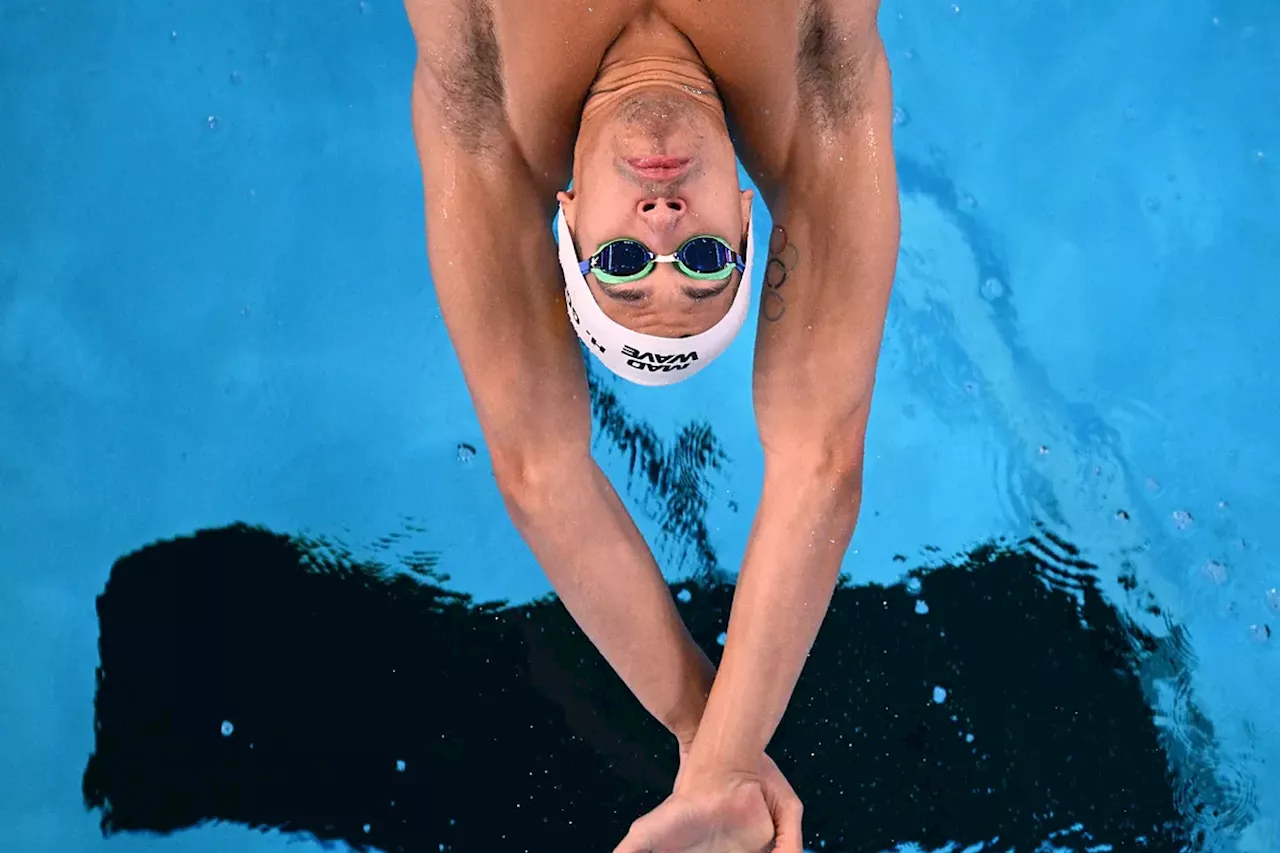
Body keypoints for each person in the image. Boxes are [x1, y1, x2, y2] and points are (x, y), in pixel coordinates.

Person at [402, 0, 900, 849]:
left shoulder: (485, 85)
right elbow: (822, 461)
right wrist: (722, 761)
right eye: (706, 260)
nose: (664, 222)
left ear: (567, 216)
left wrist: (702, 741)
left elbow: (539, 470)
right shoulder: (813, 77)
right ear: (748, 223)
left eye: (623, 265)